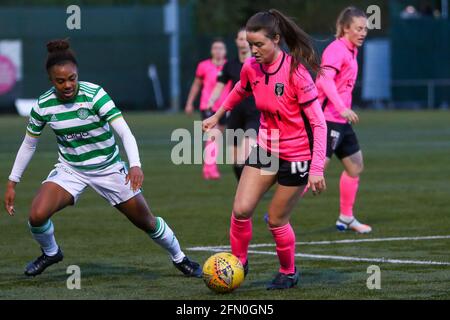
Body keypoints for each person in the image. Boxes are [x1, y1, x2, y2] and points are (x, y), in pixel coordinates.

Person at [3, 39, 202, 278]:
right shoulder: (44, 105)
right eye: (61, 81)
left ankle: (180, 258)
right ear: (51, 80)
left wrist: (135, 165)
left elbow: (124, 132)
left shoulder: (94, 95)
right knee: (36, 215)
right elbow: (29, 144)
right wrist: (13, 182)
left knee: (146, 221)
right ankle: (51, 252)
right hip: (71, 170)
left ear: (77, 75)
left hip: (109, 168)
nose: (68, 85)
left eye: (72, 78)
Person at [203, 10, 327, 290]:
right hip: (265, 148)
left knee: (276, 219)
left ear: (277, 39)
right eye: (250, 43)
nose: (253, 49)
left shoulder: (296, 72)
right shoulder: (251, 67)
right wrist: (217, 114)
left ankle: (288, 271)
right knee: (241, 209)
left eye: (259, 44)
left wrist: (317, 169)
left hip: (296, 156)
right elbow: (239, 89)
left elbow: (319, 124)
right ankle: (238, 263)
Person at [315, 7, 372, 233]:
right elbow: (324, 80)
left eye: (365, 28)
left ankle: (346, 217)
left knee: (355, 166)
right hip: (327, 120)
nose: (363, 32)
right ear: (345, 28)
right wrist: (342, 108)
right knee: (313, 174)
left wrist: (343, 111)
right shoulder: (337, 49)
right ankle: (276, 214)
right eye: (359, 28)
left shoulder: (351, 50)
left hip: (340, 120)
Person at [207, 28, 260, 181]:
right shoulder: (229, 65)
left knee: (246, 155)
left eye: (246, 39)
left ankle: (254, 188)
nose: (243, 42)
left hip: (255, 114)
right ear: (236, 42)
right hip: (235, 115)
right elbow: (219, 85)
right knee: (236, 161)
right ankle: (243, 190)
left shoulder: (258, 64)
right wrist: (212, 99)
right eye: (240, 39)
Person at [185, 39, 231, 180]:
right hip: (208, 106)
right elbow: (196, 85)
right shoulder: (203, 66)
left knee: (216, 137)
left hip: (224, 107)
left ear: (225, 51)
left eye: (221, 48)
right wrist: (189, 103)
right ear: (211, 51)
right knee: (213, 134)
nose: (218, 51)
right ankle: (210, 169)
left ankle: (208, 167)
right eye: (215, 48)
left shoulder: (229, 66)